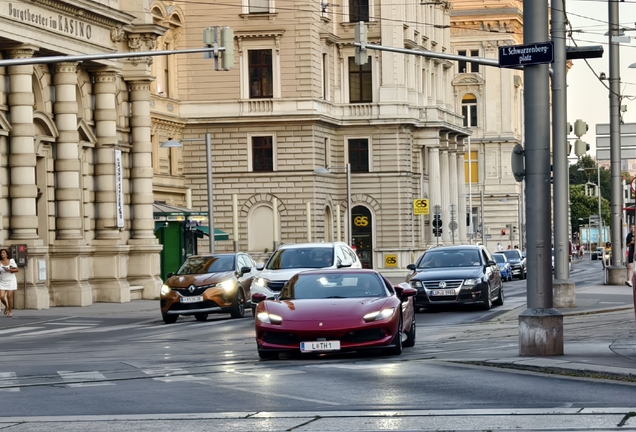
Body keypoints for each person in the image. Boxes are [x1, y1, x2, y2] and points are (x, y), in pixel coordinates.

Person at [0, 249, 18, 318]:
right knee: (1, 297)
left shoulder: (11, 261)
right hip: (3, 281)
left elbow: (17, 269)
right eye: (1, 253)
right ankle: (6, 306)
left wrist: (9, 270)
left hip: (11, 280)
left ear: (7, 254)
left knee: (9, 296)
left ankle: (10, 311)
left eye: (3, 253)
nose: (2, 254)